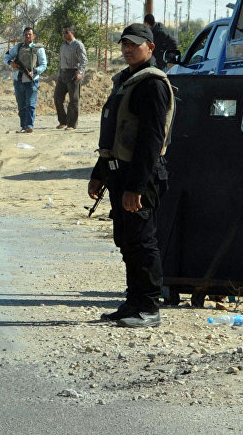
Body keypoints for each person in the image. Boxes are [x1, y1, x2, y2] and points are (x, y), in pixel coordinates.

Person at [88, 23, 175, 329]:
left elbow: (151, 140)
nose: (127, 49)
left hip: (142, 177)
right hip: (119, 174)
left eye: (134, 44)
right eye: (124, 43)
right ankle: (133, 302)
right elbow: (113, 136)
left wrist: (136, 187)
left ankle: (149, 307)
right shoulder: (126, 81)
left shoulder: (152, 84)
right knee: (127, 241)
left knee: (142, 241)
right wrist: (98, 175)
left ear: (150, 48)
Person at [4, 27, 47, 133]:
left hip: (31, 81)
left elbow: (43, 65)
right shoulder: (18, 47)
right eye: (26, 34)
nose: (28, 36)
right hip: (18, 81)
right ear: (23, 36)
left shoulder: (39, 49)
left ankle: (29, 126)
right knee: (21, 105)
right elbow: (6, 56)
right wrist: (10, 63)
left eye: (29, 34)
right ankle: (24, 126)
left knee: (30, 105)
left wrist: (35, 72)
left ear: (33, 36)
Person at [54, 26, 87, 131]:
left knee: (73, 100)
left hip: (73, 74)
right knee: (57, 98)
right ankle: (63, 122)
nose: (64, 34)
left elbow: (84, 60)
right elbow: (61, 60)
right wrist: (59, 73)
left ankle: (72, 124)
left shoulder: (78, 45)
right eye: (63, 32)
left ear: (72, 32)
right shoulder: (63, 46)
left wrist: (80, 73)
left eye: (66, 32)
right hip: (63, 74)